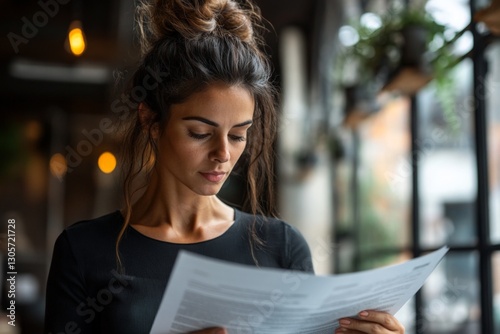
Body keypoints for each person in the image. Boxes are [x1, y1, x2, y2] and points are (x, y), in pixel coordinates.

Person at [44, 0, 405, 333]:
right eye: (200, 133)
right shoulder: (85, 250)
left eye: (237, 135)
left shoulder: (280, 247)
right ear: (151, 121)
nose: (223, 154)